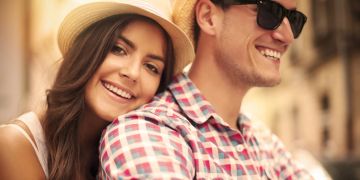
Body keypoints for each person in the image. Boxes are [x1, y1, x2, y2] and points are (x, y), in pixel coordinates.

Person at [99, 0, 313, 179]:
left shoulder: (262, 139)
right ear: (209, 16)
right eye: (270, 12)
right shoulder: (146, 132)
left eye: (294, 20)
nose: (287, 37)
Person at [0, 0, 194, 179]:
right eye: (118, 49)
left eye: (151, 67)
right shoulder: (15, 144)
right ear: (87, 50)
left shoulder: (138, 153)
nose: (133, 73)